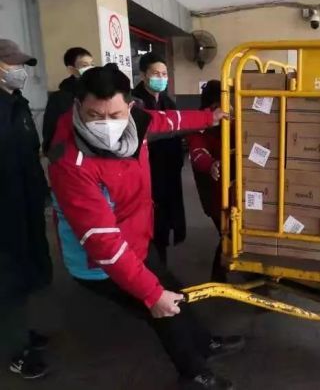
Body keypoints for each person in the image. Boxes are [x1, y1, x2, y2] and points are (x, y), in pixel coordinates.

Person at [47, 65, 241, 390]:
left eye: (115, 115)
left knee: (175, 293)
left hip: (135, 237)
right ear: (78, 106)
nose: (105, 125)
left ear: (130, 107)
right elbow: (103, 244)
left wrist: (209, 118)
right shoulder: (70, 164)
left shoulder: (136, 123)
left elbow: (168, 120)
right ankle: (193, 373)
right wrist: (151, 295)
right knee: (163, 309)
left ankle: (204, 342)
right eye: (94, 115)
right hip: (100, 263)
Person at [0, 39, 52, 379]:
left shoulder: (17, 102)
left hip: (25, 202)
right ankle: (15, 351)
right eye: (12, 64)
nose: (19, 70)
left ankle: (18, 333)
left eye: (21, 64)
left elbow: (29, 156)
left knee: (24, 273)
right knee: (8, 280)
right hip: (5, 208)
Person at [133, 53, 186, 265]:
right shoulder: (134, 103)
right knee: (146, 222)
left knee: (163, 221)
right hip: (145, 171)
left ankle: (159, 266)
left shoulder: (168, 102)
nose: (161, 78)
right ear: (143, 75)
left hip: (168, 171)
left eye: (164, 74)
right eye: (156, 74)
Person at [187, 80, 226, 282]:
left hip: (233, 189)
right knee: (226, 235)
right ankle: (217, 279)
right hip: (213, 191)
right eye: (219, 105)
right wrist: (210, 164)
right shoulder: (200, 125)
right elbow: (197, 153)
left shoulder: (232, 120)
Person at [42, 47, 94, 153]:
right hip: (71, 154)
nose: (91, 68)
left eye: (92, 64)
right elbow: (50, 131)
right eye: (85, 65)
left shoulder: (96, 92)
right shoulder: (58, 98)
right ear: (71, 69)